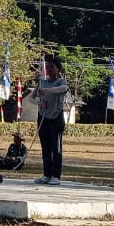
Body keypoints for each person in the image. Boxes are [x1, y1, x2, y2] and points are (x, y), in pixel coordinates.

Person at [33, 56, 69, 186]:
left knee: (56, 148)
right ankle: (47, 174)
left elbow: (63, 89)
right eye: (47, 67)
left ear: (58, 69)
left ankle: (56, 176)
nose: (48, 69)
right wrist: (39, 102)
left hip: (56, 118)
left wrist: (47, 90)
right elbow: (33, 98)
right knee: (45, 147)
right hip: (43, 117)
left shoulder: (61, 81)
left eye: (51, 67)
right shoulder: (42, 82)